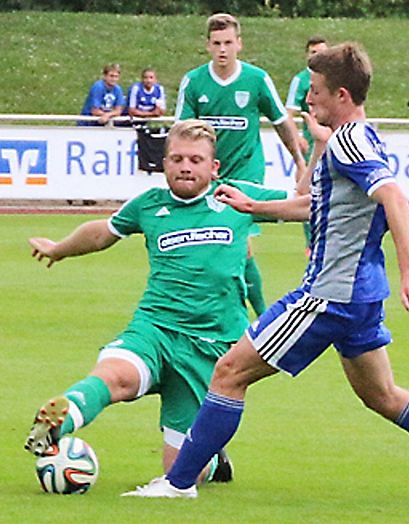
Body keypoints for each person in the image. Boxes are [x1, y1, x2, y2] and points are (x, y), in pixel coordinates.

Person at [123, 42, 409, 505]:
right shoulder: (360, 137)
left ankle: (177, 485)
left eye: (315, 91)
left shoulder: (349, 142)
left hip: (327, 296)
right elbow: (318, 205)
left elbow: (393, 197)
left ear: (340, 95)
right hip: (361, 296)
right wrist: (255, 206)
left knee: (229, 372)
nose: (309, 99)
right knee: (385, 396)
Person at [24, 120, 289, 484]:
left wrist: (321, 151)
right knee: (115, 376)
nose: (185, 166)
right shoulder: (149, 205)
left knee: (179, 471)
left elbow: (302, 201)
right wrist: (59, 249)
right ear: (163, 164)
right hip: (155, 329)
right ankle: (58, 422)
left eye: (195, 160)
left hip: (208, 349)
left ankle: (212, 462)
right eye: (176, 158)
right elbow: (103, 233)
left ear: (214, 168)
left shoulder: (240, 200)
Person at [175, 12, 307, 316]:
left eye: (228, 42)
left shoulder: (256, 79)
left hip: (246, 174)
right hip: (208, 177)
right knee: (216, 246)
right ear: (207, 46)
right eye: (217, 43)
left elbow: (281, 121)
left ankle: (264, 317)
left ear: (239, 44)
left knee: (240, 243)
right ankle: (229, 310)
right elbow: (181, 132)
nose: (223, 49)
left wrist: (299, 160)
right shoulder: (194, 82)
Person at [286, 34, 329, 254]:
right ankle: (311, 243)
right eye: (314, 52)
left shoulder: (334, 78)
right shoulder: (301, 80)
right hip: (312, 147)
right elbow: (289, 112)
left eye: (322, 51)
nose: (318, 56)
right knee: (306, 192)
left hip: (331, 142)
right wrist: (297, 138)